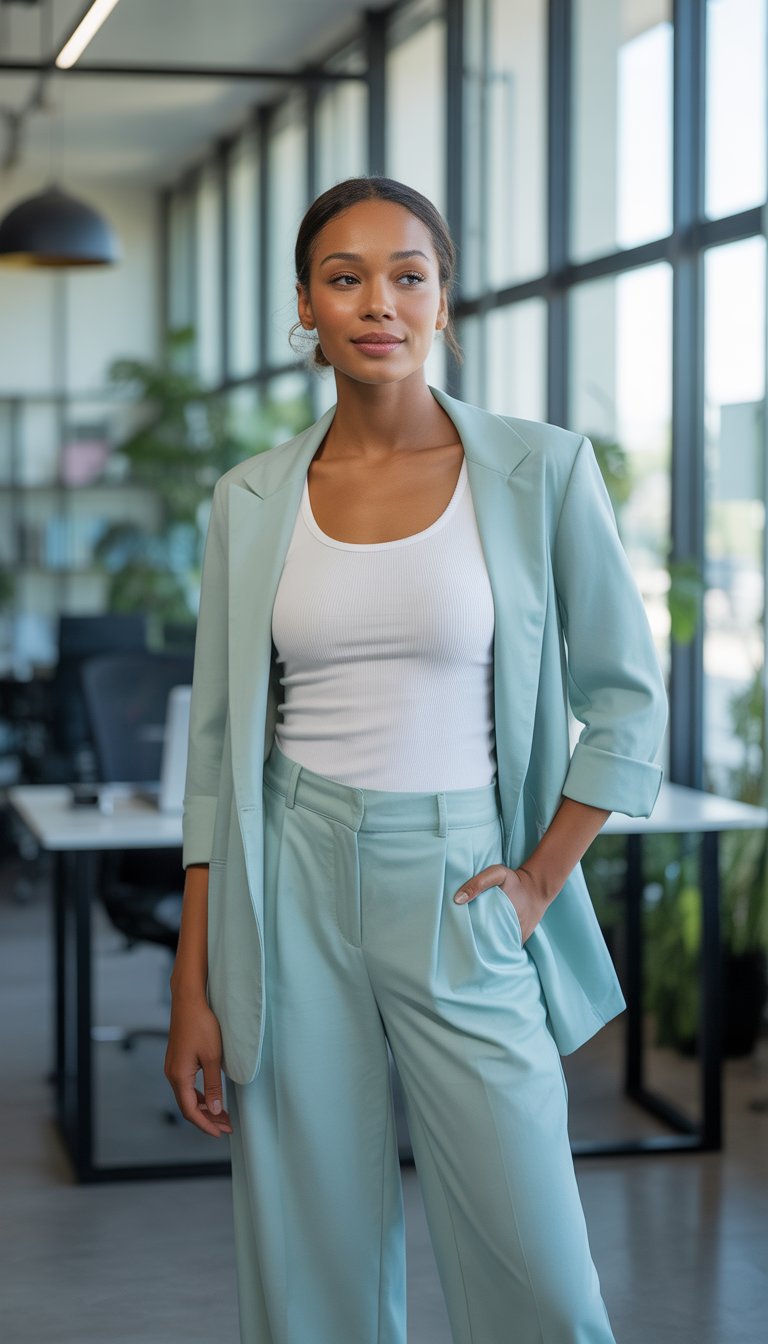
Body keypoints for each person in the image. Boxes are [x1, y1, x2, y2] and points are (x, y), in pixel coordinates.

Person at [165, 176, 667, 1344]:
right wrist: (194, 983)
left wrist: (539, 879)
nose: (378, 302)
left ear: (444, 298)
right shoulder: (250, 499)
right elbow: (218, 756)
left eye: (408, 276)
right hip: (284, 879)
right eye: (345, 278)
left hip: (462, 883)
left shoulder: (541, 471)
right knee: (312, 1274)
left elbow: (628, 702)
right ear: (307, 304)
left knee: (542, 1280)